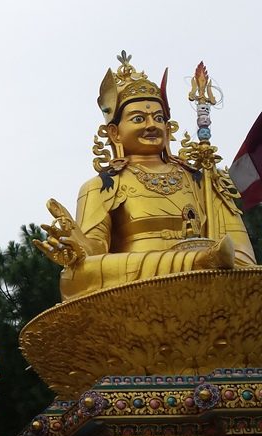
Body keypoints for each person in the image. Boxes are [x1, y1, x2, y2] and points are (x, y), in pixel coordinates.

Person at [34, 52, 255, 301]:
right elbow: (94, 253)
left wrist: (231, 259)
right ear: (115, 133)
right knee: (76, 275)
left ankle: (201, 263)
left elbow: (241, 252)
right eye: (139, 118)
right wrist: (78, 247)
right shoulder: (102, 186)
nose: (151, 125)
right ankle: (195, 264)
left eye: (158, 118)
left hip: (212, 274)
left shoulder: (202, 180)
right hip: (139, 283)